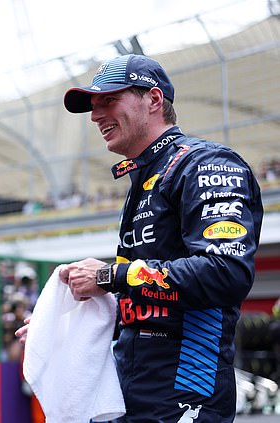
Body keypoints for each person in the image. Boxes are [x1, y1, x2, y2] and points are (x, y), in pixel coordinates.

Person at [16, 54, 263, 421]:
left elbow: (223, 272)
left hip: (188, 392)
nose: (95, 115)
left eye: (108, 101)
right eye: (93, 107)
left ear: (153, 100)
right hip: (134, 391)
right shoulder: (144, 179)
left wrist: (108, 275)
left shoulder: (206, 164)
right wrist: (69, 322)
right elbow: (154, 303)